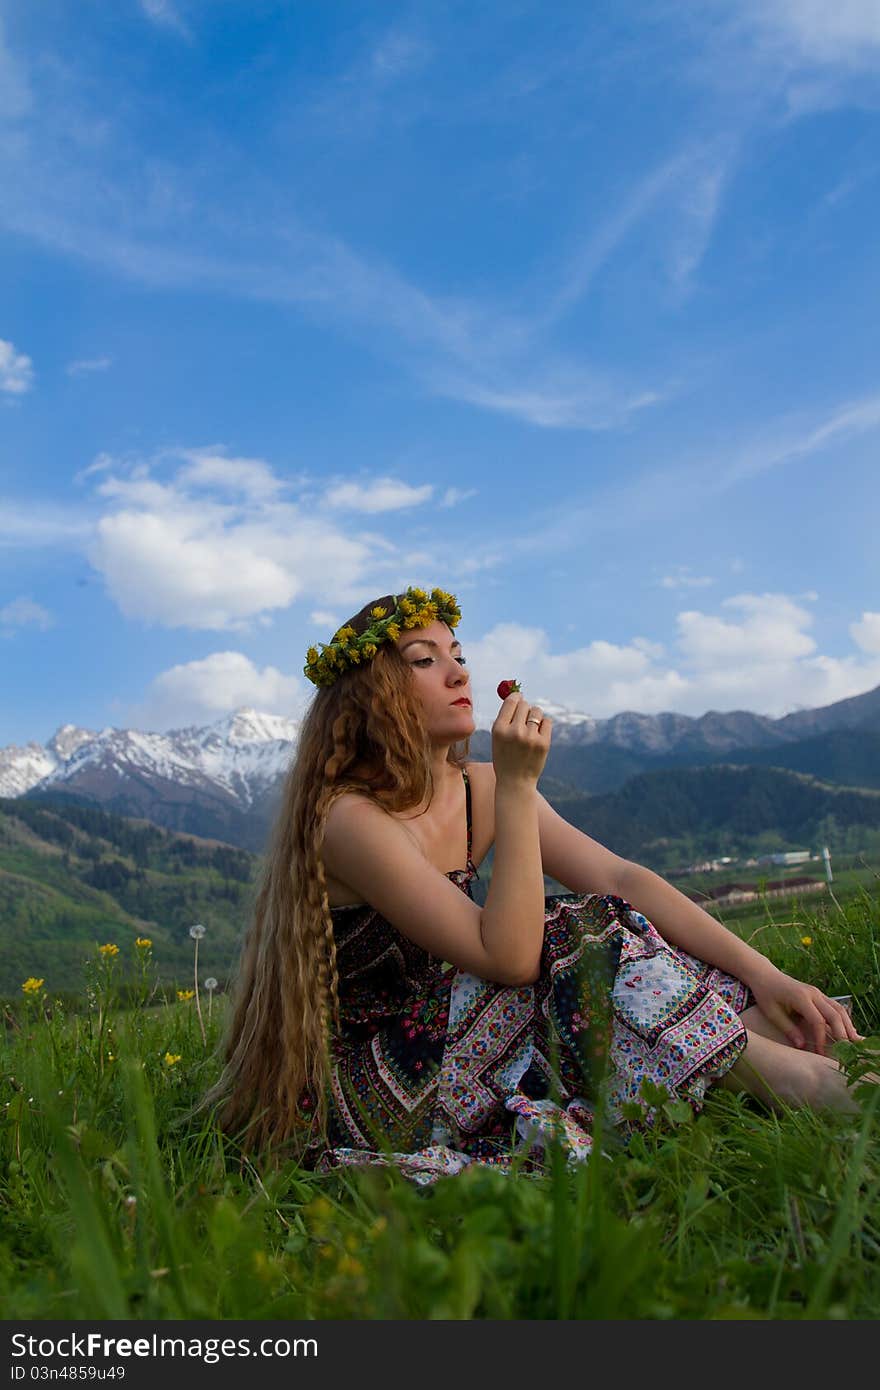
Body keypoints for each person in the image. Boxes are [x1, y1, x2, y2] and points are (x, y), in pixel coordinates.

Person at [212, 586, 865, 1183]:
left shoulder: (478, 789)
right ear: (370, 689)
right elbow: (512, 957)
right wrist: (520, 789)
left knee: (632, 938)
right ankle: (806, 1082)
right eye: (423, 660)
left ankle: (771, 1053)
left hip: (479, 1035)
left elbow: (620, 877)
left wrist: (769, 973)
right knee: (578, 934)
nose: (460, 671)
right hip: (386, 1083)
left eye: (458, 653)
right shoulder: (350, 819)